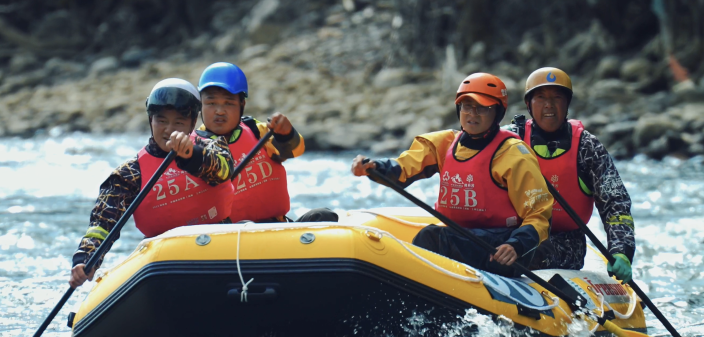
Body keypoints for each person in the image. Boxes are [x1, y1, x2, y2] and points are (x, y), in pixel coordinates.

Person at [350, 73, 552, 277]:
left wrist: (516, 245)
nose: (472, 114)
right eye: (467, 106)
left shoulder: (514, 154)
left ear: (497, 113)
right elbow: (403, 167)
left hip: (503, 247)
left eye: (482, 108)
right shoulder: (444, 143)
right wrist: (375, 167)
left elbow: (539, 216)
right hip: (462, 236)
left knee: (432, 238)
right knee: (437, 236)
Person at [68, 78, 234, 287]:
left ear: (192, 123)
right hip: (165, 259)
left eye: (179, 123)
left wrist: (191, 155)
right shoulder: (129, 174)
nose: (169, 130)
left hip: (219, 244)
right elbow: (103, 224)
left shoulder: (212, 145)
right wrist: (85, 258)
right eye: (161, 121)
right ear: (150, 120)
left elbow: (224, 170)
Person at [505, 67, 635, 282]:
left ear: (567, 104)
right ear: (529, 104)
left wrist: (621, 250)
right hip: (514, 233)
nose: (549, 104)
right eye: (541, 98)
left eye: (557, 97)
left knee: (527, 252)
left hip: (565, 241)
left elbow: (615, 202)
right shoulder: (511, 139)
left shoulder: (587, 147)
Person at [197, 62, 338, 223]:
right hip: (231, 233)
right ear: (200, 105)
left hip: (276, 227)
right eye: (211, 103)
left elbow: (295, 150)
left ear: (242, 104)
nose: (220, 111)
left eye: (229, 103)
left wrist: (286, 134)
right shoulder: (193, 148)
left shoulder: (257, 131)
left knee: (324, 216)